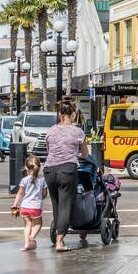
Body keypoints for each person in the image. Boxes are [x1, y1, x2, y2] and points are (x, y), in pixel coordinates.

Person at [44, 99, 87, 251]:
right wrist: (74, 154)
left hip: (49, 170)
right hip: (67, 170)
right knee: (65, 206)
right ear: (73, 114)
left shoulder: (50, 130)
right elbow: (85, 154)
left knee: (56, 205)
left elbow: (49, 151)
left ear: (60, 114)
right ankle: (60, 241)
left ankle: (58, 234)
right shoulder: (78, 132)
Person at [11, 155, 47, 251]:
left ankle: (26, 244)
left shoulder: (24, 180)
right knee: (38, 224)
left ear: (26, 168)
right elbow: (44, 194)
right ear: (39, 167)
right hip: (36, 207)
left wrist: (15, 204)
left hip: (24, 207)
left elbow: (19, 194)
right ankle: (32, 237)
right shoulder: (42, 180)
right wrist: (40, 198)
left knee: (27, 225)